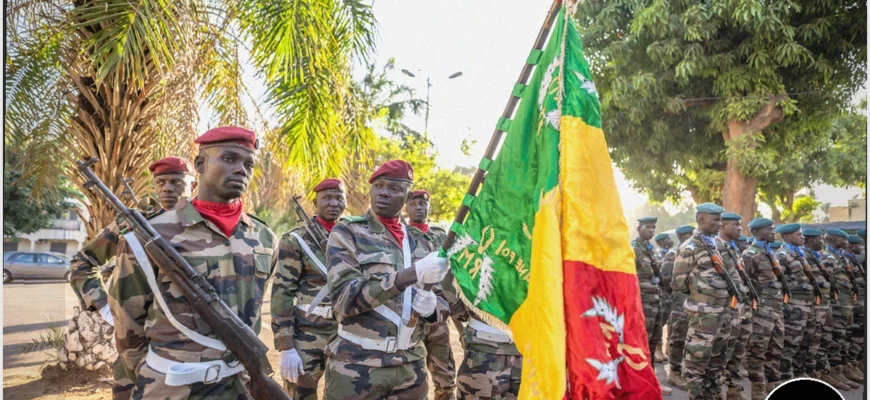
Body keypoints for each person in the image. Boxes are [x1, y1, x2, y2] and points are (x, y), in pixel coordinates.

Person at [109, 127, 277, 399]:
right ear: (200, 164)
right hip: (171, 386)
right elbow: (128, 324)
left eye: (249, 164)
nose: (241, 170)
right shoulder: (152, 235)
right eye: (229, 159)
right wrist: (153, 373)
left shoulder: (265, 237)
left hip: (241, 385)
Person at [69, 156, 195, 400]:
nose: (167, 188)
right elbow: (82, 263)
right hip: (137, 347)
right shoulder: (134, 222)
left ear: (194, 184)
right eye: (160, 182)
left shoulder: (207, 226)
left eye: (176, 182)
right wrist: (103, 305)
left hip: (194, 350)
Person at [324, 160, 451, 399]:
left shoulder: (421, 241)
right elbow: (343, 299)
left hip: (410, 367)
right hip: (356, 366)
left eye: (394, 188)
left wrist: (433, 309)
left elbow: (444, 302)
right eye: (378, 186)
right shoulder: (348, 232)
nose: (383, 192)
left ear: (407, 196)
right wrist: (410, 274)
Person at [270, 178, 346, 399]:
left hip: (346, 334)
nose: (333, 203)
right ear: (315, 203)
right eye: (327, 198)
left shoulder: (353, 237)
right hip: (307, 334)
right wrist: (286, 346)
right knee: (301, 395)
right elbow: (283, 292)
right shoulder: (295, 240)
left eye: (339, 198)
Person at [671, 203, 730, 400]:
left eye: (721, 220)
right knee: (696, 363)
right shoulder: (689, 247)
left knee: (716, 362)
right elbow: (678, 284)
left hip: (722, 313)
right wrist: (702, 295)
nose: (720, 224)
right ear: (700, 220)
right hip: (703, 315)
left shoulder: (716, 245)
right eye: (716, 220)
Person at [405, 189, 455, 400]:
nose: (418, 208)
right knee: (409, 379)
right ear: (406, 207)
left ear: (429, 207)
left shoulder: (441, 236)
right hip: (411, 316)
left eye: (422, 204)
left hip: (438, 316)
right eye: (413, 204)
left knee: (446, 378)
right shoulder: (401, 235)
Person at [797, 228, 849, 390]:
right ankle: (810, 373)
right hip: (815, 304)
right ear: (811, 240)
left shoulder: (817, 255)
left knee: (825, 338)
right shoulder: (805, 256)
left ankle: (822, 372)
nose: (822, 241)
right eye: (820, 238)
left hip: (825, 303)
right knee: (812, 340)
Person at [742, 218, 785, 399]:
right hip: (760, 311)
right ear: (757, 232)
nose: (773, 232)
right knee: (757, 350)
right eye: (769, 229)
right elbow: (744, 285)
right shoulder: (750, 255)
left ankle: (772, 383)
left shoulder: (769, 252)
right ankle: (757, 389)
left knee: (776, 348)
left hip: (776, 309)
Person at [716, 212, 752, 400]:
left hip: (740, 310)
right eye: (735, 225)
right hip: (725, 310)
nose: (739, 228)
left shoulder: (732, 248)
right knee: (720, 355)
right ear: (722, 226)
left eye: (740, 225)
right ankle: (716, 393)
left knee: (737, 353)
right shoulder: (714, 247)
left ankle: (734, 391)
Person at [821, 229, 862, 389]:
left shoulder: (841, 256)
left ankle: (845, 368)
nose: (847, 242)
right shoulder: (828, 258)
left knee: (845, 338)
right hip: (837, 306)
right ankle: (832, 372)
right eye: (843, 239)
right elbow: (824, 283)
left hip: (847, 304)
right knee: (835, 339)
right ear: (833, 239)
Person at [631, 216, 670, 385]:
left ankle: (652, 379)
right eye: (648, 227)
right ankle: (640, 381)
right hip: (643, 302)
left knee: (654, 341)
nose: (651, 230)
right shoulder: (634, 249)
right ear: (639, 228)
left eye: (654, 228)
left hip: (656, 301)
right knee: (643, 342)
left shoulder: (650, 248)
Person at [773, 223, 813, 382]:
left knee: (805, 340)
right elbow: (779, 281)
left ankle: (799, 371)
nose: (803, 237)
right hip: (793, 305)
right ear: (787, 236)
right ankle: (785, 375)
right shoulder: (782, 255)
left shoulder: (799, 253)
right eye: (799, 234)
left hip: (806, 303)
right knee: (791, 342)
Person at [663, 224, 694, 390]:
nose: (693, 236)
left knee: (692, 338)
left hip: (693, 301)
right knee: (678, 337)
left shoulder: (694, 251)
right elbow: (666, 279)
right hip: (680, 301)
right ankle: (674, 373)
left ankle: (686, 371)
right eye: (689, 234)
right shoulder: (673, 254)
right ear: (682, 236)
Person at [843, 235, 865, 382]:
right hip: (853, 302)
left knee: (860, 331)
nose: (861, 248)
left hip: (860, 300)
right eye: (858, 245)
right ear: (851, 245)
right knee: (854, 333)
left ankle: (857, 361)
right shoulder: (846, 259)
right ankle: (851, 363)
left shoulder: (852, 258)